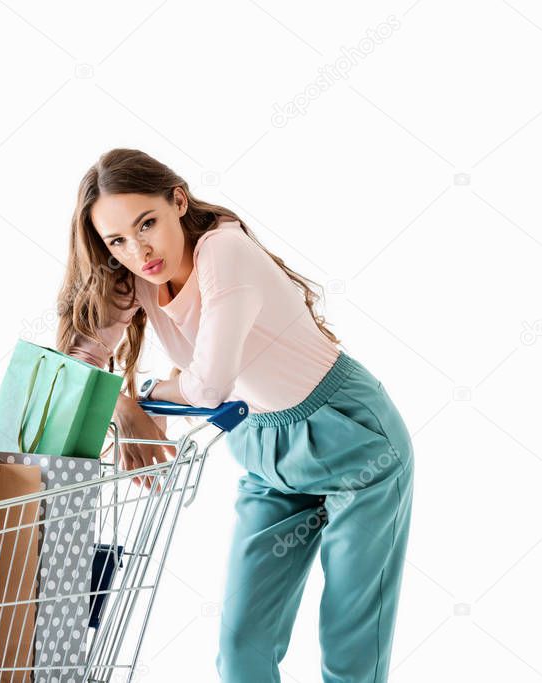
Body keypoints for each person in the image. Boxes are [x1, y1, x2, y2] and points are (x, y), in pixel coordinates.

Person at [55, 148, 415, 682]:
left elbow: (207, 385)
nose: (139, 249)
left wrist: (154, 388)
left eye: (147, 223)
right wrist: (124, 406)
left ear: (178, 200)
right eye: (117, 240)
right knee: (242, 647)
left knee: (350, 649)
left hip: (352, 440)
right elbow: (79, 360)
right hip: (264, 450)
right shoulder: (134, 272)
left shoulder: (223, 252)